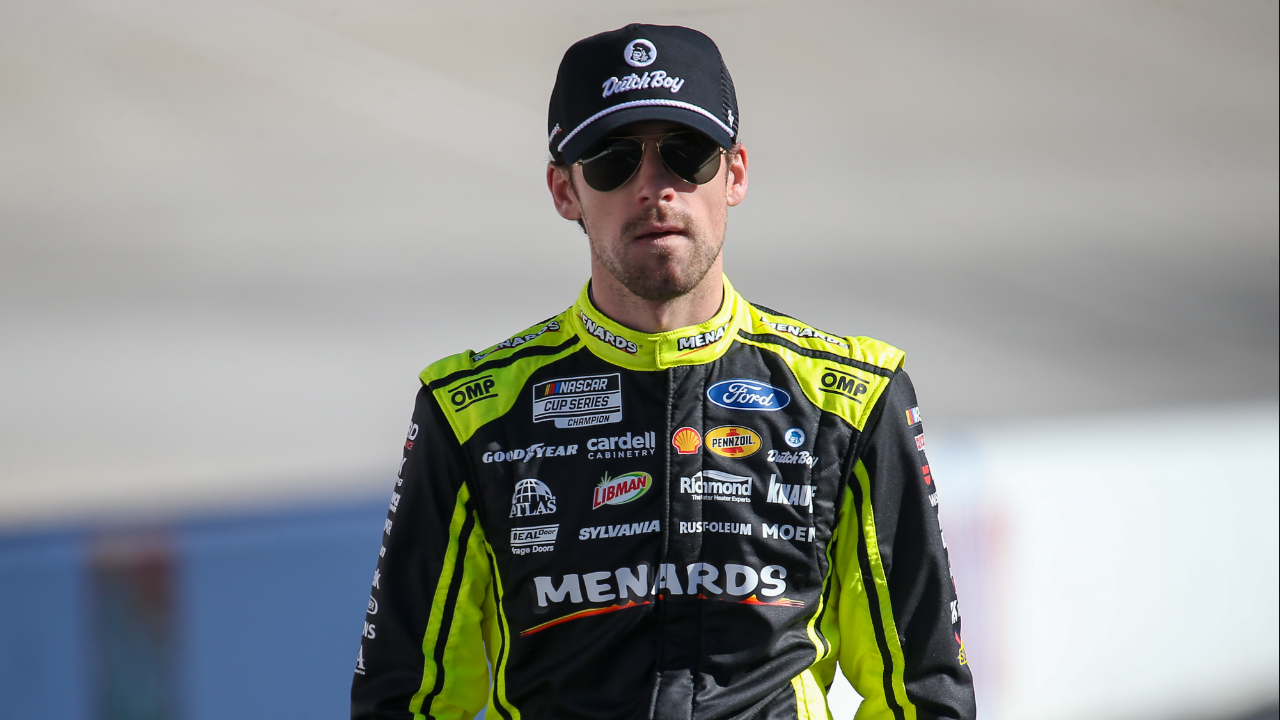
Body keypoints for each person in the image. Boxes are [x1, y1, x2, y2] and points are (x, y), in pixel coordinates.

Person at [351, 23, 976, 720]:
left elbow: (924, 693)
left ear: (734, 173)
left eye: (687, 154)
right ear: (565, 191)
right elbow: (405, 698)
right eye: (615, 160)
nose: (657, 188)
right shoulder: (471, 411)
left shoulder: (851, 398)